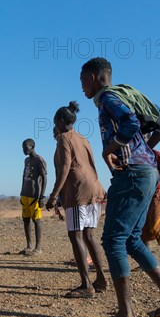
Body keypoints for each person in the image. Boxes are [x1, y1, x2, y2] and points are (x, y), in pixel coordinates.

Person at [80, 57, 160, 317]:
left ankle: (126, 316)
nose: (81, 87)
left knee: (114, 239)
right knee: (131, 240)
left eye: (82, 80)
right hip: (147, 171)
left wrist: (110, 150)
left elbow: (128, 122)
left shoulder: (108, 99)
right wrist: (147, 149)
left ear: (94, 77)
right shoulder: (129, 95)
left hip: (132, 174)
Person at [45, 101, 108, 298]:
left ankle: (86, 284)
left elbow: (65, 168)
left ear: (61, 121)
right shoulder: (83, 138)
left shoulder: (64, 138)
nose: (54, 125)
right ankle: (101, 278)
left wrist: (54, 195)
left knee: (76, 236)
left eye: (55, 121)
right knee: (89, 235)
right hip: (94, 188)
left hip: (77, 191)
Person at [19, 139, 47, 255]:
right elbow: (23, 176)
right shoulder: (26, 160)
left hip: (35, 195)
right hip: (25, 194)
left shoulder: (39, 160)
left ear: (33, 146)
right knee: (26, 220)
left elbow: (44, 178)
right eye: (23, 147)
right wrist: (21, 192)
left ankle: (38, 248)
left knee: (36, 220)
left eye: (26, 147)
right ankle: (29, 246)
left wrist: (42, 196)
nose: (24, 150)